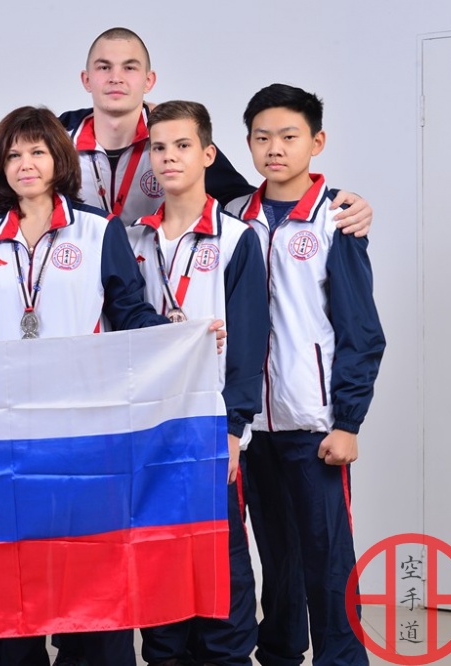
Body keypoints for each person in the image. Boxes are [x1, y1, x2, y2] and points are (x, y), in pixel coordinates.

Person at [0, 105, 226, 666]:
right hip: (8, 432)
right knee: (13, 574)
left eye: (37, 152)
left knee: (92, 577)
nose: (25, 165)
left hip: (86, 432)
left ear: (59, 159)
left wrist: (182, 335)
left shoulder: (99, 229)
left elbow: (128, 310)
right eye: (13, 155)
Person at [224, 83, 385, 666]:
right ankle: (280, 653)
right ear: (247, 144)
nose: (275, 148)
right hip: (251, 427)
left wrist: (348, 421)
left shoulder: (336, 219)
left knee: (328, 559)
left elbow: (360, 328)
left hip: (314, 424)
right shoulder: (232, 219)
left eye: (289, 136)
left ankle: (341, 658)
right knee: (276, 556)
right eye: (262, 137)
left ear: (316, 142)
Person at [129, 100, 269, 666]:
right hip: (148, 427)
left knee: (219, 556)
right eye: (159, 147)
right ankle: (165, 656)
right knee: (158, 556)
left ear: (208, 154)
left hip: (210, 426)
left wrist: (233, 429)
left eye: (183, 146)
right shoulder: (133, 240)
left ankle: (227, 656)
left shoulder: (236, 239)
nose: (170, 157)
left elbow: (251, 343)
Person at [59, 27, 373, 233]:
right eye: (104, 67)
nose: (116, 78)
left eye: (129, 67)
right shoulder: (58, 139)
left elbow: (247, 200)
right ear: (87, 79)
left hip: (155, 287)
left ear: (148, 80)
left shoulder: (178, 139)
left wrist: (334, 203)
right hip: (80, 288)